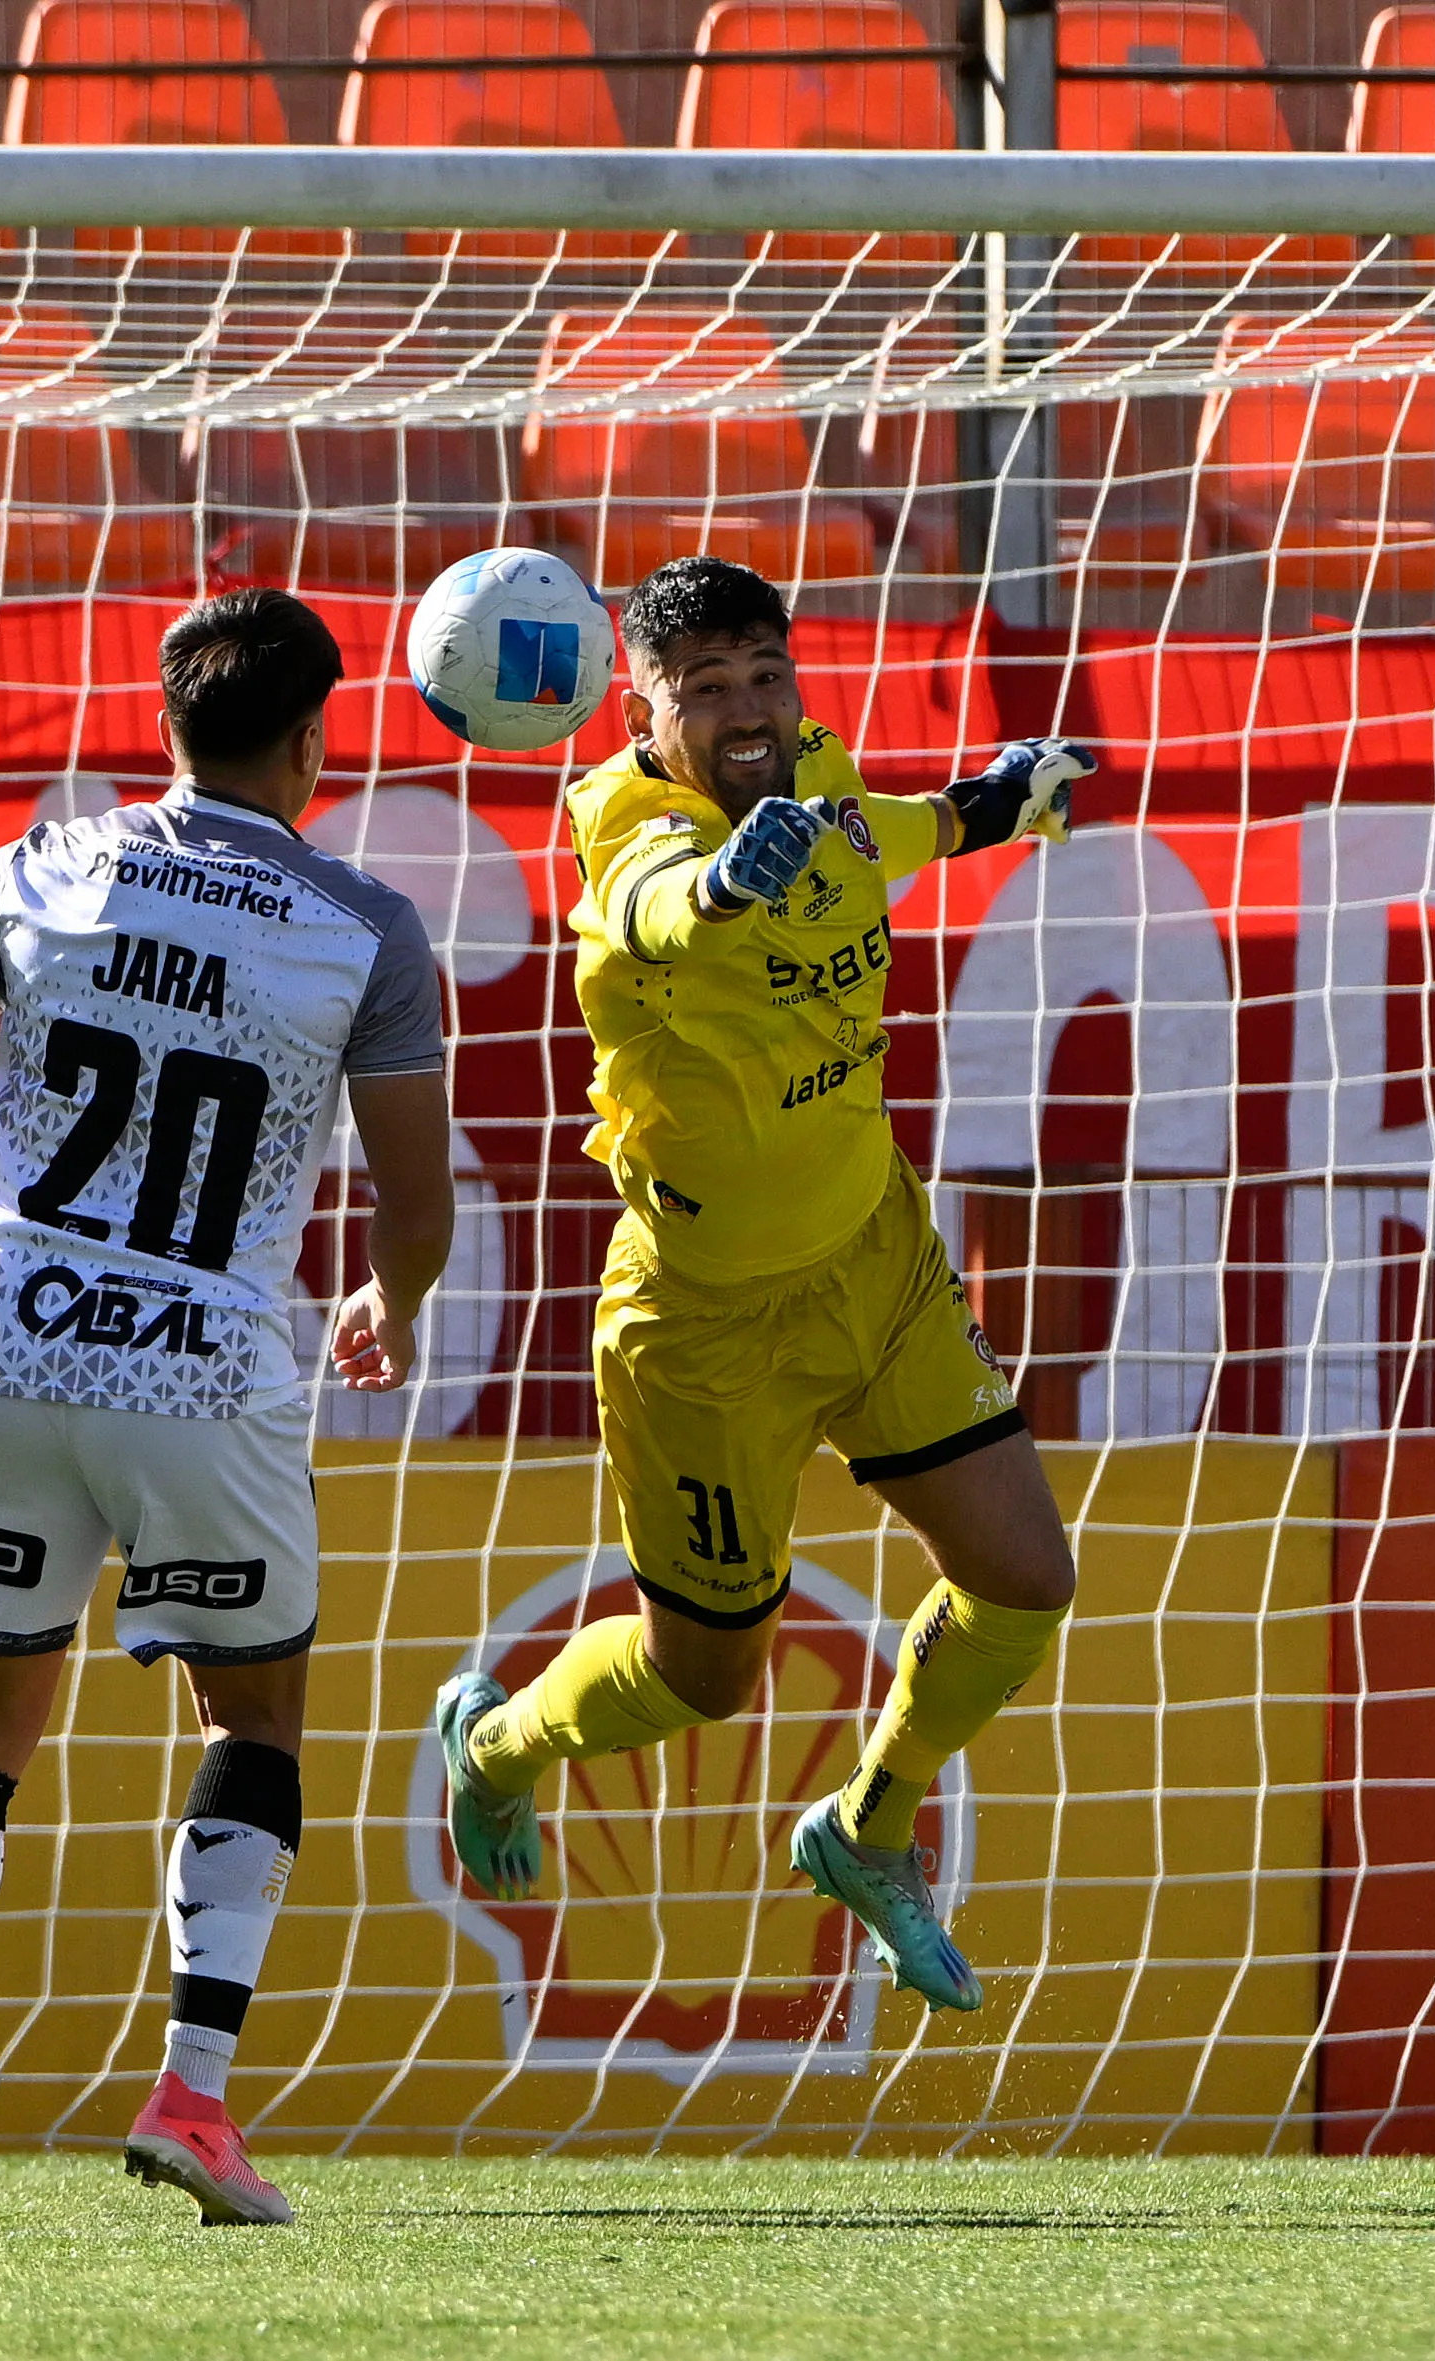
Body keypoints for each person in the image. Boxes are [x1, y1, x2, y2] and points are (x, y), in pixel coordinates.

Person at [0, 588, 452, 2230]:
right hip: (205, 1373)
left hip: (17, 1349)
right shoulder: (362, 925)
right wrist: (394, 1296)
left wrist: (45, 1167)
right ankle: (191, 2098)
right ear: (317, 741)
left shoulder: (43, 865)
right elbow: (410, 1199)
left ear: (167, 723)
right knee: (251, 1725)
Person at [427, 556, 1092, 2013]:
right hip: (703, 1323)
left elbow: (890, 831)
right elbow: (664, 905)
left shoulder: (820, 777)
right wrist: (727, 877)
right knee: (706, 1680)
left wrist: (1002, 798)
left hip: (875, 1262)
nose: (744, 710)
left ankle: (868, 1825)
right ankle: (494, 1745)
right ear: (640, 708)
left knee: (1025, 1576)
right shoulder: (621, 825)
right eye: (703, 688)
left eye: (763, 675)